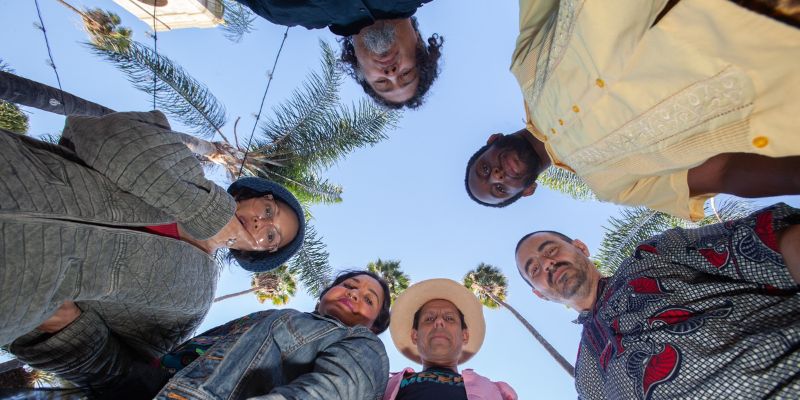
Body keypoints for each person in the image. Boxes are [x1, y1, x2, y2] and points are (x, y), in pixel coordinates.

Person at [0, 111, 305, 392]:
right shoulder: (182, 170)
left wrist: (66, 329)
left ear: (256, 254)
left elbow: (120, 372)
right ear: (252, 195)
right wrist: (205, 210)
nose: (259, 221)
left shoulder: (194, 300)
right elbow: (97, 133)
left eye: (269, 235)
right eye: (268, 209)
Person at [465, 0, 800, 221]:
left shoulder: (525, 64)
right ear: (527, 191)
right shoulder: (612, 186)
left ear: (492, 140)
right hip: (775, 51)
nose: (496, 175)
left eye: (484, 169)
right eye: (499, 189)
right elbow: (722, 173)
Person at [513, 203, 800, 398]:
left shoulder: (653, 255)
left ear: (581, 247)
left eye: (550, 249)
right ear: (539, 294)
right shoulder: (586, 380)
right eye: (534, 269)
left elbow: (765, 239)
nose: (547, 263)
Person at [232, 0, 443, 109]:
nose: (391, 73)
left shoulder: (282, 12)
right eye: (406, 74)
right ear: (419, 43)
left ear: (359, 67)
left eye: (381, 82)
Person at [383, 278, 517, 400]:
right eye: (429, 319)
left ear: (464, 335)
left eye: (449, 318)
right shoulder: (384, 387)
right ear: (415, 335)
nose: (439, 322)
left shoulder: (498, 393)